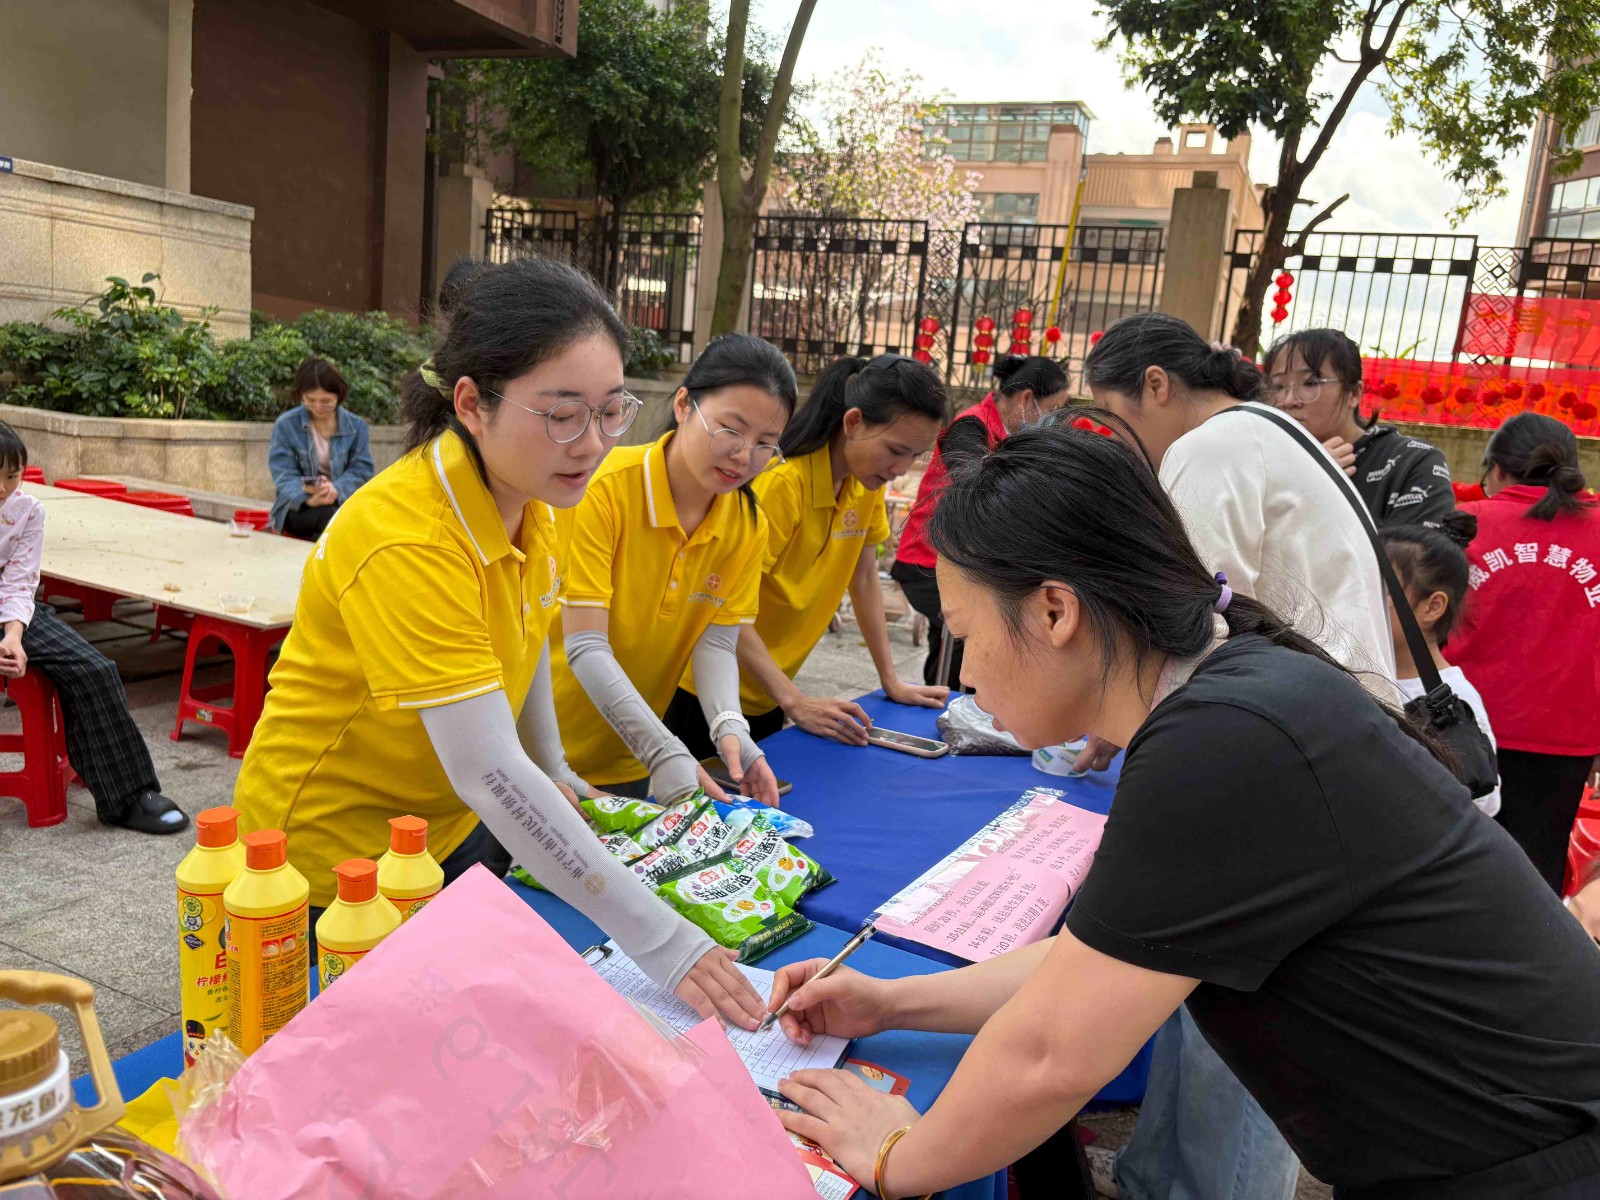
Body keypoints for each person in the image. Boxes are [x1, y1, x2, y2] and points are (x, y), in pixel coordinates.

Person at [761, 419, 1600, 1200]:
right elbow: (1096, 962)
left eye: (968, 632)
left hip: (1533, 1161)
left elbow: (1053, 1053)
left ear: (1054, 611)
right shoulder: (1233, 692)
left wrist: (896, 1157)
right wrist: (893, 1002)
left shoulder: (1223, 739)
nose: (967, 672)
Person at [231, 259, 767, 1029]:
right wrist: (666, 942)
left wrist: (552, 765)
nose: (592, 443)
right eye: (563, 414)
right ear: (472, 404)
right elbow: (488, 768)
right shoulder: (408, 537)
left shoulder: (536, 497)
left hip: (442, 829)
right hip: (328, 857)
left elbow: (526, 634)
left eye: (611, 411)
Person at [1076, 314, 1399, 1200]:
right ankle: (1158, 1174)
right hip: (1304, 735)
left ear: (1155, 385)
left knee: (1249, 1009)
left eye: (1117, 419)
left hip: (1293, 754)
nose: (1127, 447)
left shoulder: (1209, 448)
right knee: (1199, 980)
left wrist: (1116, 714)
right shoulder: (1268, 432)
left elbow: (1186, 620)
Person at [552, 333, 795, 808]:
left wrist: (731, 728)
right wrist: (663, 750)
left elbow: (717, 641)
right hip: (543, 752)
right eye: (731, 430)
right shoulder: (603, 489)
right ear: (684, 405)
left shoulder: (746, 524)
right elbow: (585, 645)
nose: (743, 456)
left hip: (628, 759)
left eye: (765, 444)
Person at [663, 354, 949, 751]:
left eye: (915, 456)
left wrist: (891, 680)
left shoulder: (863, 485)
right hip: (706, 692)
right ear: (853, 423)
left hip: (770, 691)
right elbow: (723, 605)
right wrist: (795, 701)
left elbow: (864, 577)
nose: (902, 468)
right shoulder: (782, 485)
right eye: (896, 450)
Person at [0, 423, 189, 834]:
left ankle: (129, 796)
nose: (3, 488)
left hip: (12, 611)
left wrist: (13, 634)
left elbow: (19, 581)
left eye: (11, 476)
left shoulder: (28, 511)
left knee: (95, 669)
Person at [1444, 412, 1600, 892]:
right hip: (1567, 737)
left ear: (1496, 469)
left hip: (1462, 728)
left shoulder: (1466, 525)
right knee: (1535, 874)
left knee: (1453, 864)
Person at [890, 355, 1069, 690]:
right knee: (973, 637)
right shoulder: (970, 427)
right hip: (928, 562)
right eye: (1053, 408)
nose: (1055, 419)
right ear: (1027, 399)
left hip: (960, 560)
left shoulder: (1007, 434)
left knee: (953, 648)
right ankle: (949, 703)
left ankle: (942, 700)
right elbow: (977, 487)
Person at [1263, 328, 1455, 528]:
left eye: (1310, 383)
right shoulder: (1264, 462)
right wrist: (1300, 483)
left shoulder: (1411, 463)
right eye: (1278, 387)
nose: (1288, 400)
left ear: (1354, 393)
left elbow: (1416, 547)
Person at [1382, 515, 1501, 816]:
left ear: (1432, 606)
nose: (1362, 602)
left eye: (1383, 592)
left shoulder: (1454, 702)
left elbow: (1482, 801)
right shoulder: (1360, 669)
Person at [267, 357, 376, 540]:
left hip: (341, 501)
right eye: (310, 400)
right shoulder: (286, 424)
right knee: (331, 518)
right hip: (298, 506)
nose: (318, 407)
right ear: (301, 395)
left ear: (338, 396)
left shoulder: (357, 427)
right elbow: (283, 474)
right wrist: (308, 498)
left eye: (326, 401)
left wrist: (335, 489)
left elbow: (361, 470)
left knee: (338, 518)